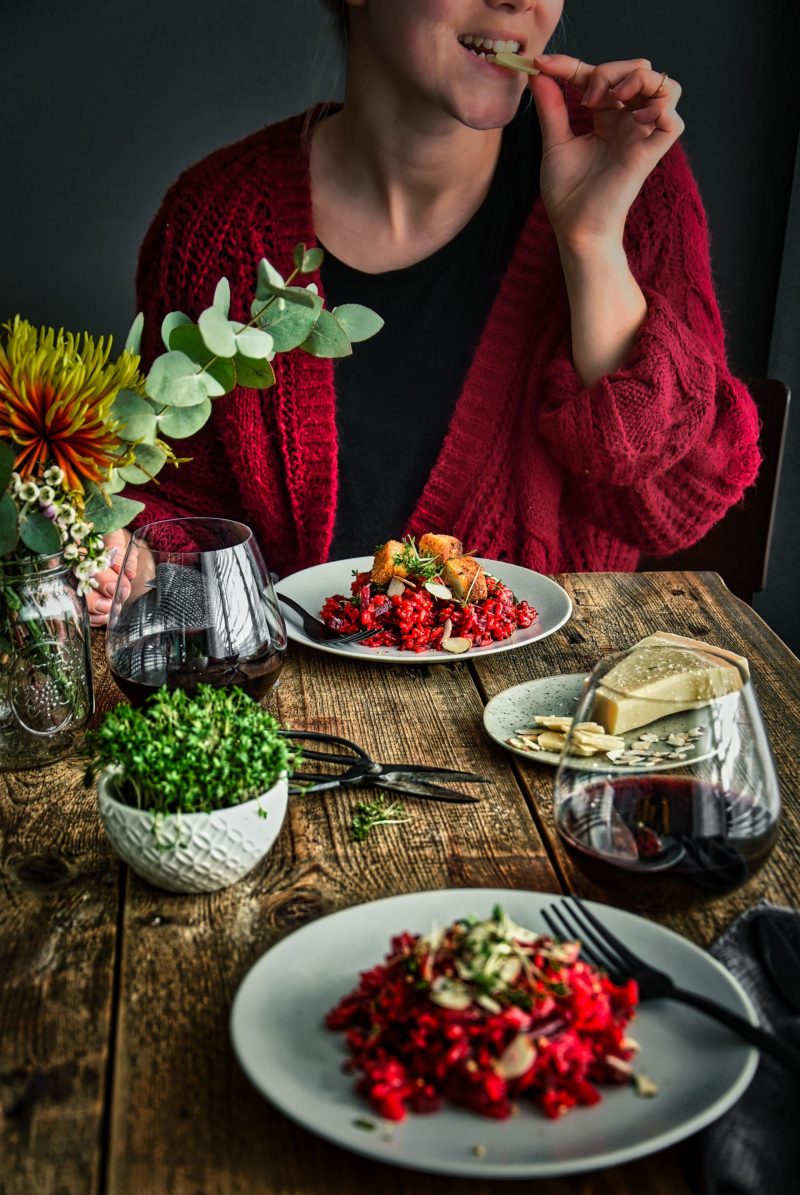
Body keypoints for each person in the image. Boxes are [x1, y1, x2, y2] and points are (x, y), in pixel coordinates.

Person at [88, 0, 760, 625]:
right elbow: (177, 504)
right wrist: (129, 556)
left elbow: (680, 506)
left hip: (543, 721)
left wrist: (591, 245)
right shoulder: (213, 223)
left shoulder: (630, 178)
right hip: (293, 726)